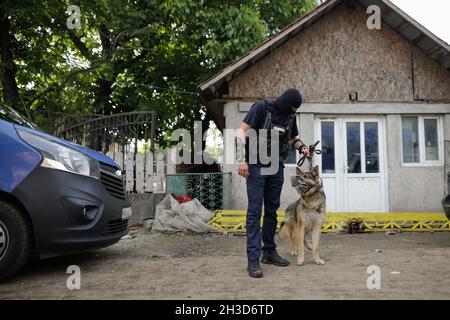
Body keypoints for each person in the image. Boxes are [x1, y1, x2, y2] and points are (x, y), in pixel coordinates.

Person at [236, 88, 310, 278]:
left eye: (295, 110)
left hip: (276, 167)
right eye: (292, 108)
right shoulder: (262, 108)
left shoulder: (290, 117)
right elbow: (240, 132)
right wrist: (241, 160)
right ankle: (253, 259)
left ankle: (269, 252)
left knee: (271, 211)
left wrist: (302, 148)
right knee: (254, 211)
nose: (293, 112)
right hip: (256, 166)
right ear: (286, 103)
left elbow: (292, 139)